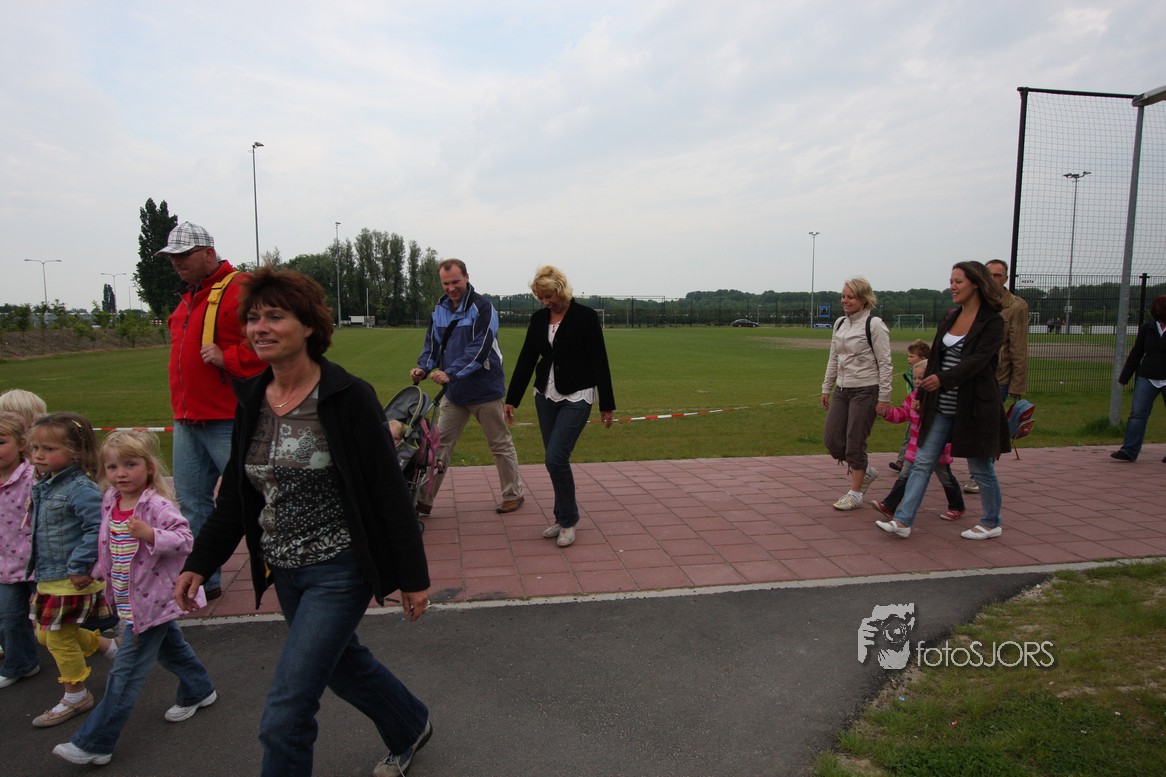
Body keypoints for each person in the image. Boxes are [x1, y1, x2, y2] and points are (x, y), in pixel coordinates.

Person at [175, 267, 432, 777]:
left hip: (339, 569)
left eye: (275, 316)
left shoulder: (347, 397)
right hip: (285, 569)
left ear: (310, 325)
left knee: (286, 713)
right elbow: (238, 495)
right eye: (253, 318)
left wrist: (413, 577)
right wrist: (200, 562)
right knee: (341, 664)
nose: (260, 328)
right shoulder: (253, 397)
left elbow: (388, 492)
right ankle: (409, 723)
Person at [52, 430, 215, 767]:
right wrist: (96, 571)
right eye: (112, 467)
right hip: (130, 599)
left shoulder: (155, 506)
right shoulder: (111, 501)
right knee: (171, 648)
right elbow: (113, 547)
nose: (121, 473)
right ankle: (199, 689)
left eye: (130, 464)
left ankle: (95, 742)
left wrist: (151, 534)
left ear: (149, 468)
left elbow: (185, 539)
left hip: (152, 602)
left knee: (124, 675)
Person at [157, 222, 266, 600]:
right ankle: (205, 579)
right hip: (187, 418)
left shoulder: (240, 288)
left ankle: (283, 569)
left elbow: (273, 341)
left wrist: (229, 358)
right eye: (172, 257)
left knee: (253, 498)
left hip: (227, 416)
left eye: (183, 255)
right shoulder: (188, 298)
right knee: (192, 503)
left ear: (208, 253)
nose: (176, 263)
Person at [875, 261, 1011, 541]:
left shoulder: (993, 322)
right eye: (951, 281)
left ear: (976, 284)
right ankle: (902, 520)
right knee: (922, 461)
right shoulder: (949, 318)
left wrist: (943, 379)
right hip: (941, 406)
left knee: (981, 468)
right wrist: (923, 394)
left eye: (958, 281)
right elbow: (935, 360)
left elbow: (978, 361)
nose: (952, 286)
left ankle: (991, 522)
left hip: (974, 407)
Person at [504, 266, 616, 547]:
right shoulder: (539, 319)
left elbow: (599, 360)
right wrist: (512, 398)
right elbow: (527, 358)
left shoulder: (586, 317)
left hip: (577, 395)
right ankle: (562, 516)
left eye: (549, 297)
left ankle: (568, 520)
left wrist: (607, 404)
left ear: (561, 291)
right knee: (555, 462)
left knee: (555, 458)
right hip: (545, 395)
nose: (545, 302)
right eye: (540, 298)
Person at [411, 258, 524, 515]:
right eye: (445, 283)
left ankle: (513, 495)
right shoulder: (440, 309)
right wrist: (423, 368)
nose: (451, 288)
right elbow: (433, 344)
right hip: (455, 393)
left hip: (485, 390)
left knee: (499, 444)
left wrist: (450, 373)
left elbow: (480, 348)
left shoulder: (483, 308)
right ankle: (424, 499)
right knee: (438, 446)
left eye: (455, 282)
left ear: (467, 278)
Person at [26, 412, 119, 728]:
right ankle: (106, 645)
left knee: (57, 637)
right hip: (50, 574)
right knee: (45, 634)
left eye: (49, 449)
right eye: (35, 448)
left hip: (72, 576)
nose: (39, 455)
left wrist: (80, 566)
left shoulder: (80, 488)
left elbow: (97, 528)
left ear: (76, 452)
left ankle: (76, 694)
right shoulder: (45, 485)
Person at [820, 277, 893, 510]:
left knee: (855, 442)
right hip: (842, 390)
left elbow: (885, 363)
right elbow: (834, 358)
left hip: (866, 389)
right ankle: (865, 470)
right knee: (832, 440)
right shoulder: (840, 323)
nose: (845, 300)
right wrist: (826, 387)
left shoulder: (874, 325)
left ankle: (855, 492)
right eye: (843, 296)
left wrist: (884, 397)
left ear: (864, 299)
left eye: (850, 297)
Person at [963, 259, 1029, 493]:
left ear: (1006, 279)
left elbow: (1018, 347)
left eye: (997, 275)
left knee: (987, 428)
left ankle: (980, 476)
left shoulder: (1015, 307)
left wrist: (1017, 385)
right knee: (972, 425)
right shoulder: (974, 300)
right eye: (988, 274)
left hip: (998, 377)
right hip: (971, 374)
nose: (992, 279)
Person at [871, 361, 966, 521]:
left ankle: (957, 506)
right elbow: (903, 414)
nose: (917, 381)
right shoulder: (913, 396)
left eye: (921, 378)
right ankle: (889, 505)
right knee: (904, 475)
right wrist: (887, 412)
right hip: (915, 446)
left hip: (937, 448)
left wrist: (923, 410)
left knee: (945, 477)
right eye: (914, 378)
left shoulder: (941, 397)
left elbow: (940, 422)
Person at [0, 411, 39, 689]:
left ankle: (102, 638)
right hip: (6, 566)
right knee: (9, 619)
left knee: (59, 620)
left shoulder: (33, 479)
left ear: (21, 444)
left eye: (1, 442)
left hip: (38, 562)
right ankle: (21, 663)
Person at [1110, 294, 1166, 463]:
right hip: (1147, 377)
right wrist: (1125, 377)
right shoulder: (1147, 329)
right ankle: (1129, 450)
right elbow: (1137, 353)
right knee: (1137, 414)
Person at [888, 340, 930, 472]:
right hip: (910, 407)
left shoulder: (926, 376)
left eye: (912, 356)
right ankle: (903, 461)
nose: (908, 359)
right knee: (910, 435)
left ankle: (905, 462)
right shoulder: (912, 372)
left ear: (922, 359)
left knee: (914, 436)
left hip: (919, 410)